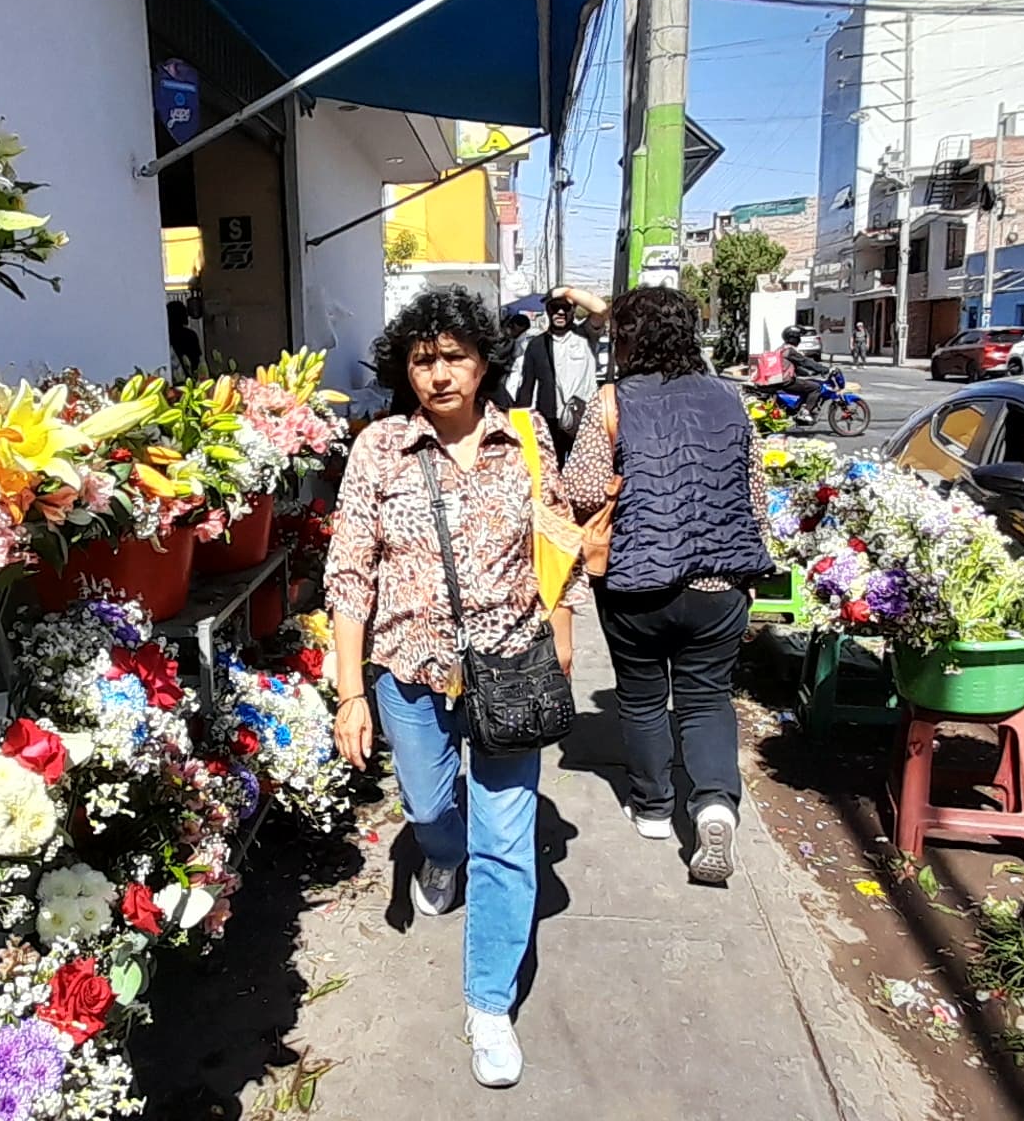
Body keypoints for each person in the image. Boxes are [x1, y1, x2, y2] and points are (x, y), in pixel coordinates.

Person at [326, 284, 586, 1089]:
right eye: (421, 360)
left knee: (506, 845)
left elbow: (560, 542)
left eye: (453, 357)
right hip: (409, 668)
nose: (438, 375)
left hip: (511, 663)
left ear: (482, 362)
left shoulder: (529, 439)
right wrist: (348, 691)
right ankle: (441, 854)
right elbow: (348, 573)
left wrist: (565, 634)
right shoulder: (378, 448)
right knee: (430, 805)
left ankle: (488, 1007)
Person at [557, 286, 774, 885]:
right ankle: (712, 805)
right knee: (706, 697)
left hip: (636, 583)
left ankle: (653, 807)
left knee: (643, 696)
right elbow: (755, 495)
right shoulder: (732, 398)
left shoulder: (613, 402)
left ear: (630, 339)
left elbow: (579, 491)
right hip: (720, 583)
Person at [515, 289, 602, 455]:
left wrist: (567, 291)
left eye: (566, 308)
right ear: (547, 309)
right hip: (549, 422)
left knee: (583, 475)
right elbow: (526, 389)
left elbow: (601, 309)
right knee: (552, 474)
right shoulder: (536, 344)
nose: (560, 312)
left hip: (584, 420)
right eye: (555, 307)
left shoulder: (586, 335)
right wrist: (520, 429)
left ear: (574, 310)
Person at [166, 299, 202, 377]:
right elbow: (197, 361)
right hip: (190, 376)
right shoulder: (190, 335)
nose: (187, 315)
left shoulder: (165, 336)